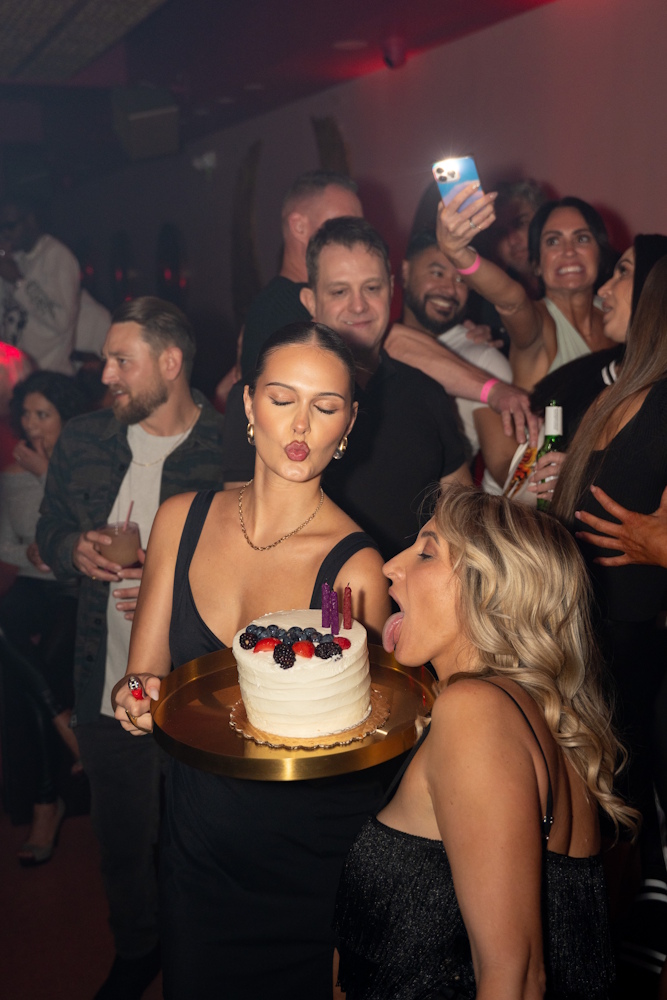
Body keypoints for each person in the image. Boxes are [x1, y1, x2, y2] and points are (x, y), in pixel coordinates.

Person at [113, 322, 391, 999]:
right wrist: (137, 697)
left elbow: (363, 746)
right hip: (197, 852)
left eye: (325, 406)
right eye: (281, 398)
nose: (300, 425)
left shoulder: (355, 569)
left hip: (308, 864)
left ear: (349, 424)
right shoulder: (179, 518)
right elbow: (145, 672)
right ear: (246, 403)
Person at [334, 484, 638, 999]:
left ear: (492, 590)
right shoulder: (539, 719)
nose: (390, 566)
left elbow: (514, 978)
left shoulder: (475, 710)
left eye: (427, 553)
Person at [35, 297, 225, 1000]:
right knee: (120, 845)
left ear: (170, 363)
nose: (105, 373)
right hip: (106, 683)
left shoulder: (229, 448)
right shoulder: (84, 439)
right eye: (107, 360)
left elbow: (258, 560)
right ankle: (138, 951)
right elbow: (51, 526)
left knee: (200, 841)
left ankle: (201, 958)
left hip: (197, 691)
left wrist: (172, 585)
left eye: (122, 360)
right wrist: (71, 549)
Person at [223, 216, 472, 558]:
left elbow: (463, 514)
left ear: (391, 289)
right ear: (311, 301)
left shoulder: (427, 393)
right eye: (339, 291)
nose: (358, 306)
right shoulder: (266, 401)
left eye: (372, 288)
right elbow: (243, 538)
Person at [550, 254, 667, 890]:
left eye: (623, 272)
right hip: (591, 650)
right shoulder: (620, 394)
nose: (604, 287)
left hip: (623, 654)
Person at [0, 371, 87, 864]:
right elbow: (4, 542)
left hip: (75, 583)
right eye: (27, 414)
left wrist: (49, 471)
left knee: (40, 670)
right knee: (5, 621)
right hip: (35, 584)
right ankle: (65, 723)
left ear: (65, 418)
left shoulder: (82, 464)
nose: (32, 425)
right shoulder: (12, 471)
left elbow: (92, 523)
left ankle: (44, 805)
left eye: (43, 414)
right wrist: (30, 553)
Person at [528, 234, 667, 504]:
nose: (603, 290)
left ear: (657, 285)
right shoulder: (594, 379)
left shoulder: (660, 399)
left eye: (624, 271)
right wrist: (576, 477)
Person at [436, 186, 616, 390]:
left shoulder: (617, 313)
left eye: (581, 238)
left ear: (600, 254)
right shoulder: (539, 324)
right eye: (553, 241)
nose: (568, 251)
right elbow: (512, 301)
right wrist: (457, 252)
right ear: (537, 264)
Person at [388, 228, 516, 491]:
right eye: (437, 273)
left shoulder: (483, 359)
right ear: (405, 271)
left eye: (461, 280)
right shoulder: (370, 341)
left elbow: (506, 465)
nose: (449, 289)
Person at [0, 196, 80, 375]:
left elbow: (61, 320)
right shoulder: (15, 258)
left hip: (50, 375)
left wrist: (19, 282)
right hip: (19, 376)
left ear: (30, 220)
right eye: (1, 228)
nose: (5, 234)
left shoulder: (57, 257)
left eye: (10, 226)